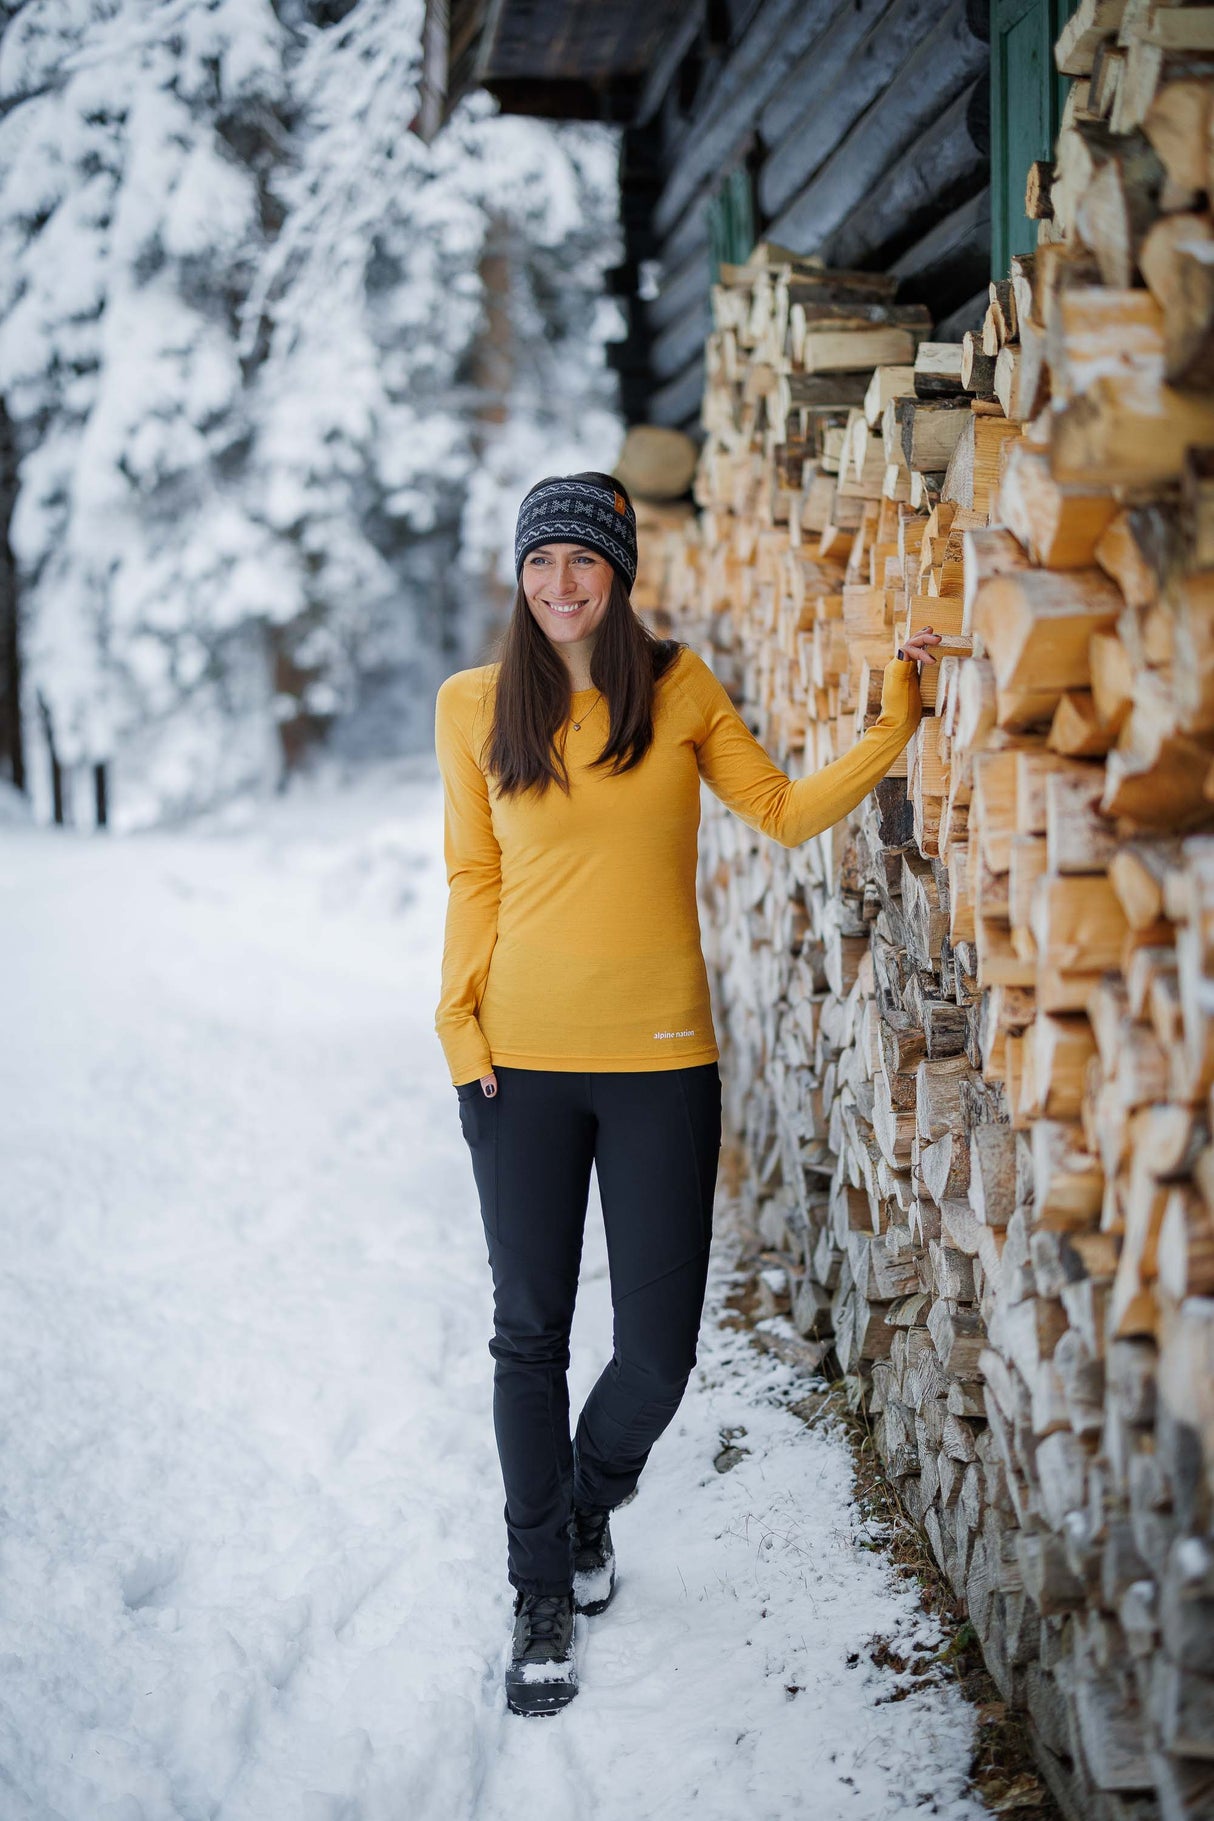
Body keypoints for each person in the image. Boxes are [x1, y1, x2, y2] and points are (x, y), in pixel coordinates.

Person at [433, 470, 940, 1718]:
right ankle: (540, 1584)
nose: (558, 585)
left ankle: (584, 1503)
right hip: (520, 1066)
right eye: (539, 564)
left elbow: (776, 812)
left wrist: (892, 723)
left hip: (662, 1061)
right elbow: (471, 875)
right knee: (527, 1336)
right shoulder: (474, 705)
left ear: (616, 573)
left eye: (580, 563)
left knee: (655, 1356)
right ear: (520, 576)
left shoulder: (676, 688)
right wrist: (457, 1028)